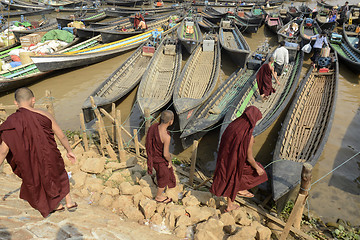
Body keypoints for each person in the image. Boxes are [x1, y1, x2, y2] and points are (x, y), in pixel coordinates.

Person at [0, 88, 77, 218]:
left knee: (40, 177)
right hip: (50, 153)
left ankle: (56, 205)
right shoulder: (44, 115)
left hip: (29, 158)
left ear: (15, 103)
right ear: (33, 100)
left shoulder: (11, 122)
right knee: (59, 173)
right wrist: (69, 151)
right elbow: (61, 136)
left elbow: (3, 150)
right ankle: (69, 202)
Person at [210, 106, 268, 212]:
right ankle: (238, 193)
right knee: (259, 172)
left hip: (225, 160)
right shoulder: (248, 136)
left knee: (230, 178)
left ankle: (233, 200)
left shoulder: (232, 125)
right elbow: (249, 158)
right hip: (235, 162)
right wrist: (257, 168)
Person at [145, 110, 176, 204]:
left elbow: (149, 141)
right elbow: (165, 154)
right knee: (164, 177)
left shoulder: (153, 127)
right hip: (159, 160)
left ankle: (160, 190)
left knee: (161, 173)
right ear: (171, 121)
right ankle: (158, 196)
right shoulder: (166, 136)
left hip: (153, 157)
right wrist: (170, 160)